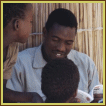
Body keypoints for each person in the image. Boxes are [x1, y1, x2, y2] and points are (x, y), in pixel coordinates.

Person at [6, 8, 102, 102]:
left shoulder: (86, 64)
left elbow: (95, 97)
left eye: (68, 43)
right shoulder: (20, 65)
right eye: (55, 40)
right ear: (45, 33)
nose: (61, 48)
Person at [3, 3, 43, 103]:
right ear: (17, 24)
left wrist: (31, 97)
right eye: (30, 22)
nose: (31, 26)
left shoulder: (12, 49)